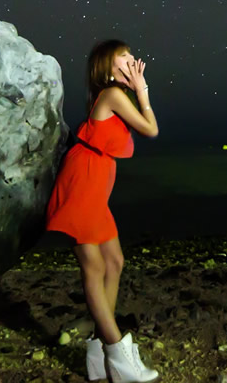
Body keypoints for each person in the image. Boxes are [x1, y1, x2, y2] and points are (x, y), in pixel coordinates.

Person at [45, 39, 160, 383]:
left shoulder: (113, 97)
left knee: (115, 261)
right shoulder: (112, 95)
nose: (131, 59)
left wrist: (138, 89)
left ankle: (97, 353)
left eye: (130, 54)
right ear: (107, 68)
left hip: (96, 186)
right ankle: (118, 354)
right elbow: (150, 129)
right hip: (83, 184)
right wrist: (142, 91)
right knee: (94, 267)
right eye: (122, 57)